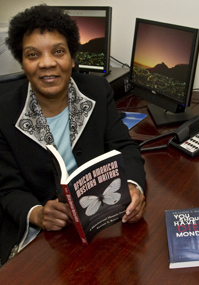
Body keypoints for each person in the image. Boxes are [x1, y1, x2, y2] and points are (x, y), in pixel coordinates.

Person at [0, 5, 146, 265]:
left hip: (100, 224)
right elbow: (7, 188)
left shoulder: (97, 91)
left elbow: (125, 147)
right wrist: (37, 214)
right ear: (23, 63)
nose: (47, 63)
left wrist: (133, 186)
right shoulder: (4, 112)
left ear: (72, 57)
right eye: (33, 54)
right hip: (42, 239)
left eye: (58, 51)